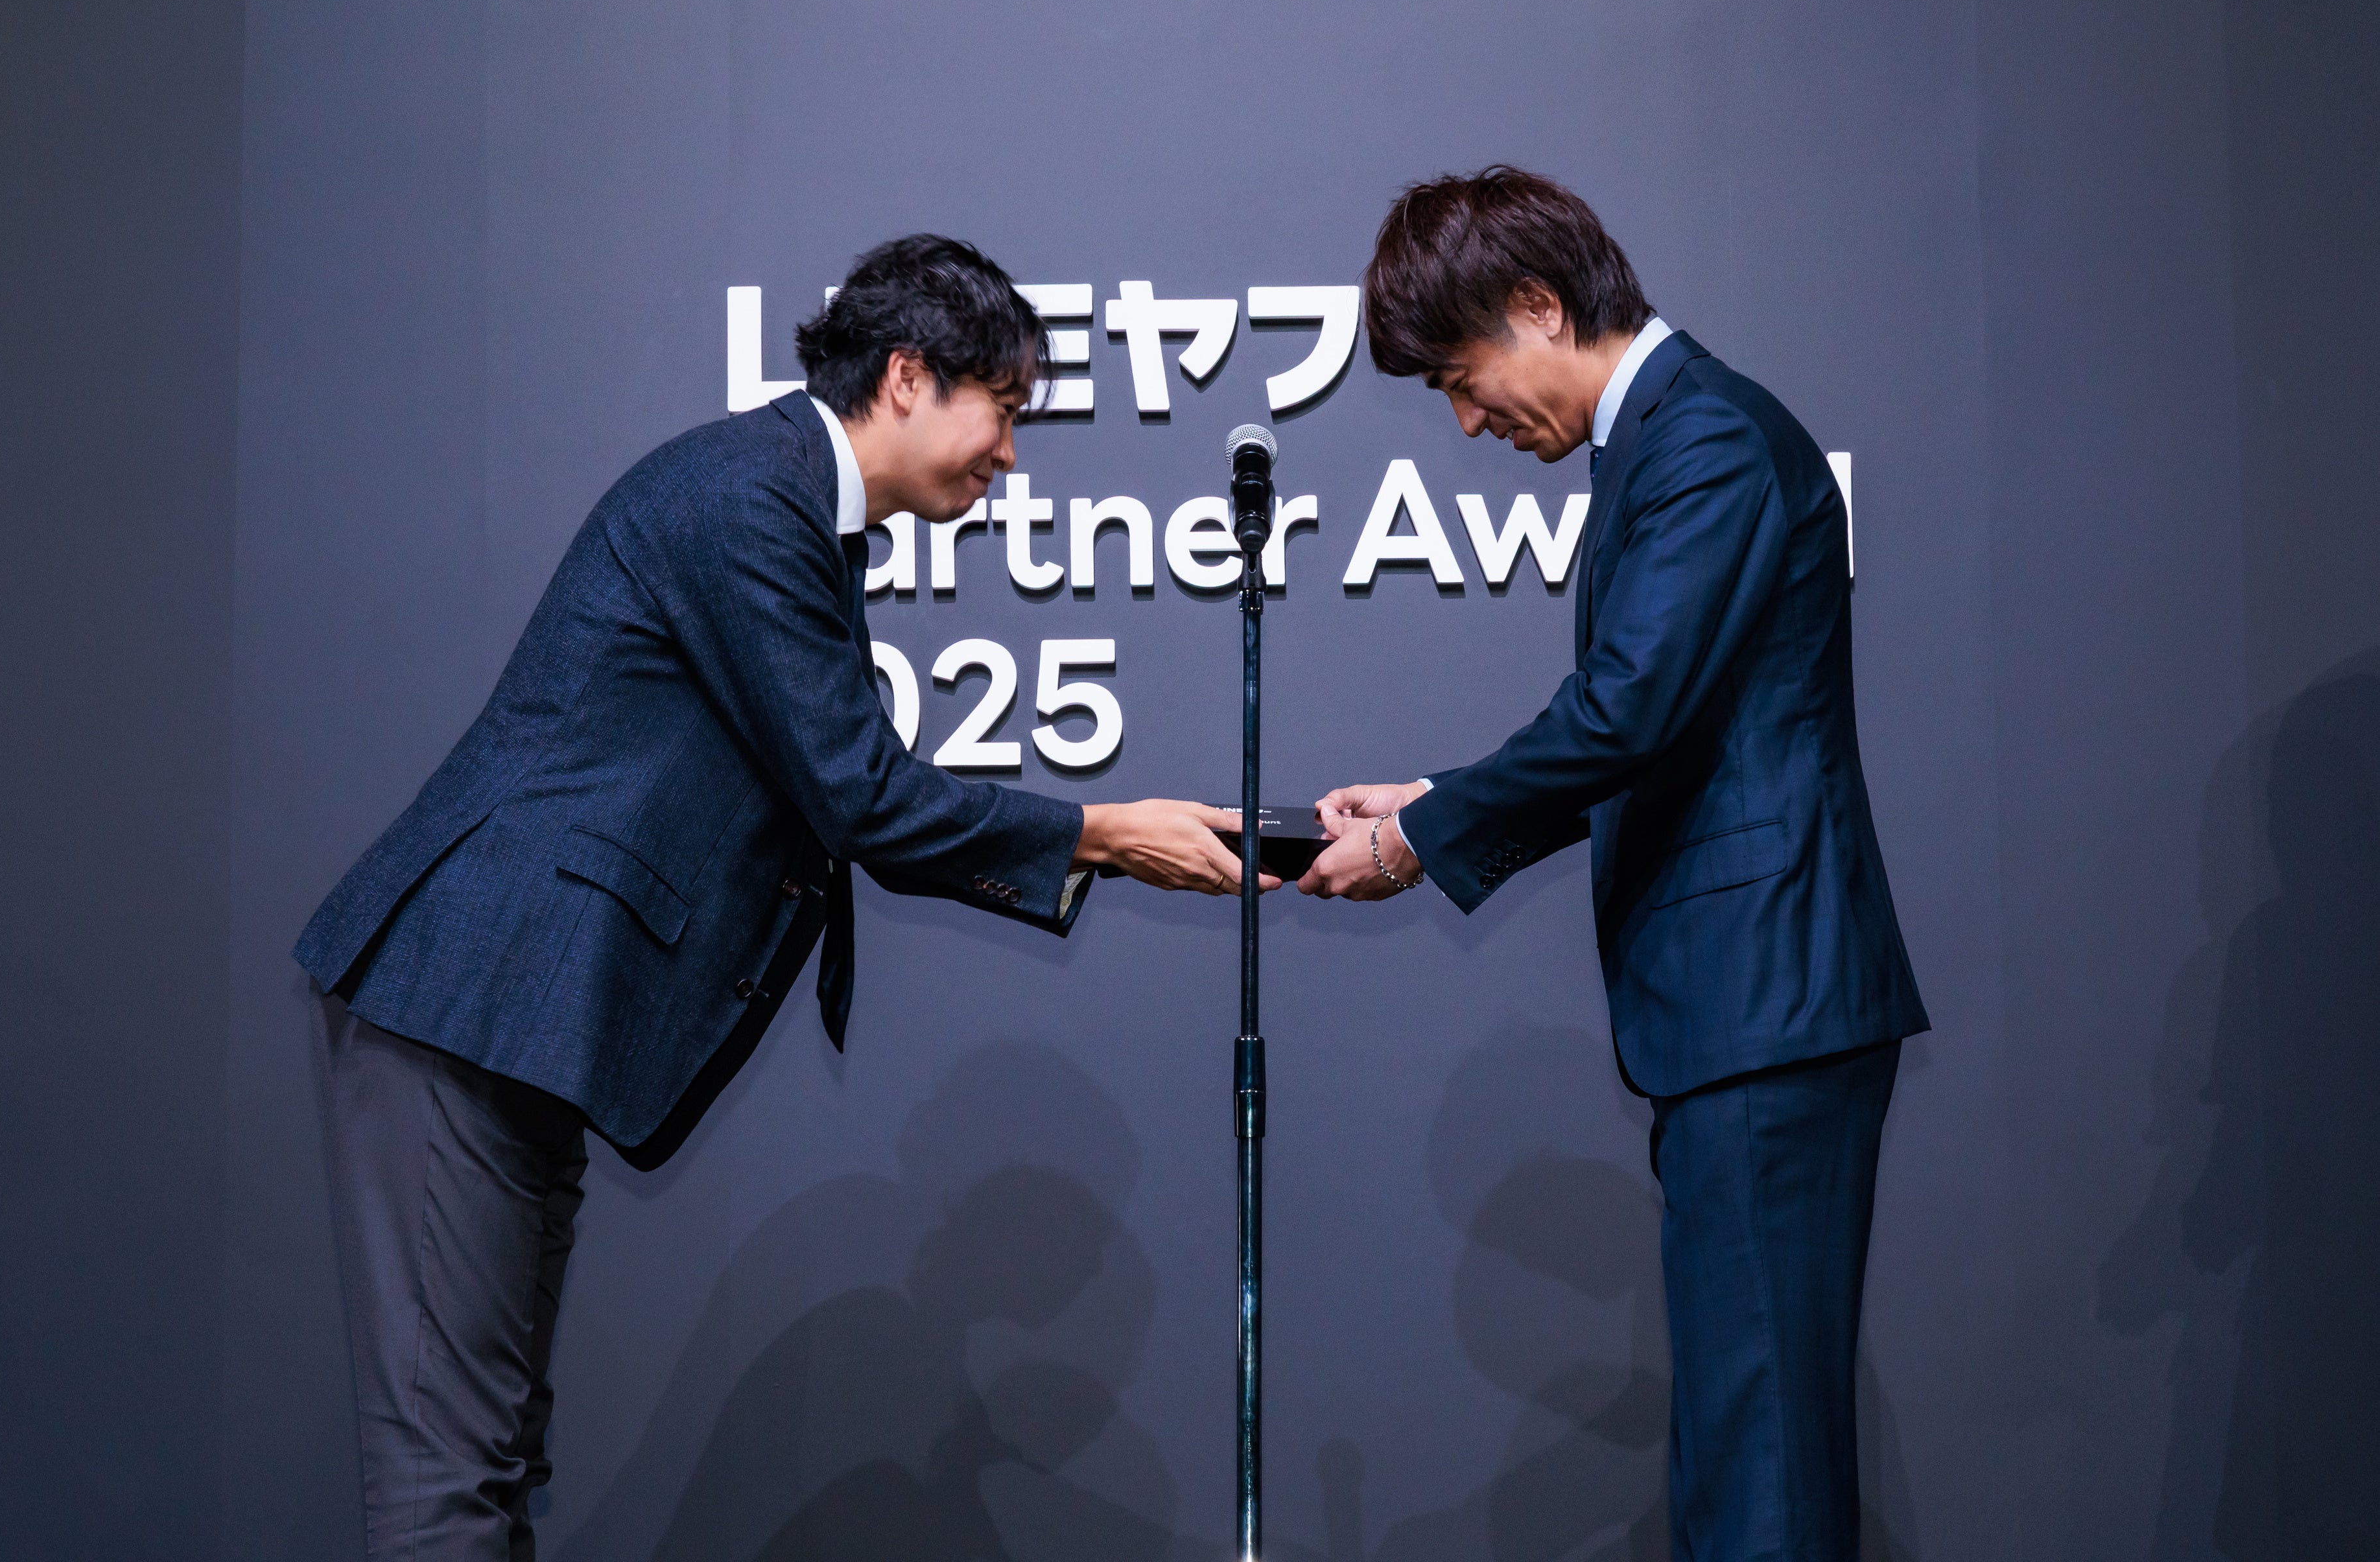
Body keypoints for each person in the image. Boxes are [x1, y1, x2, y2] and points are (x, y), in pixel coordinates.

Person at [292, 233, 1262, 1560]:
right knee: (446, 1476)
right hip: (464, 1000)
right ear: (909, 376)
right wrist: (1101, 833)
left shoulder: (788, 503)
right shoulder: (750, 498)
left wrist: (1098, 839)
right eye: (1005, 409)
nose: (1011, 454)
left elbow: (845, 797)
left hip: (515, 1027)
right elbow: (860, 796)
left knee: (490, 1460)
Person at [1300, 167, 1929, 1559]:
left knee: (1759, 1464)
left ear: (1538, 306)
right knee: (1747, 1442)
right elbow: (1663, 724)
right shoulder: (1670, 440)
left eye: (1461, 382)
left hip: (1764, 1005)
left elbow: (1629, 711)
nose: (1469, 423)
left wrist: (1419, 838)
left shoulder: (1704, 440)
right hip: (1746, 1013)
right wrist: (1436, 798)